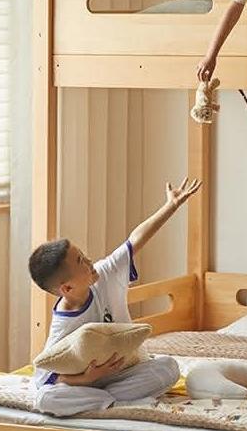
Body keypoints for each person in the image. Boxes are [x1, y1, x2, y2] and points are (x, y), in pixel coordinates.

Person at [27, 177, 202, 417]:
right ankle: (115, 403)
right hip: (86, 382)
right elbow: (45, 378)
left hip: (123, 373)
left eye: (83, 255)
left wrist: (170, 206)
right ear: (67, 288)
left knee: (168, 367)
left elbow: (135, 240)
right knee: (45, 399)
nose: (89, 261)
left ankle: (106, 401)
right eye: (81, 261)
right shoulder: (63, 326)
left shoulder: (103, 274)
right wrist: (87, 378)